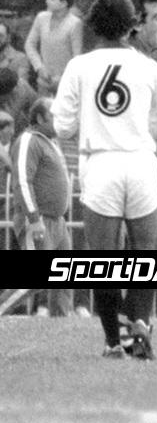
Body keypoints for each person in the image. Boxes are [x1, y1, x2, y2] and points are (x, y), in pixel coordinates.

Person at [50, 0, 157, 359]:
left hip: (101, 163)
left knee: (103, 262)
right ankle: (139, 324)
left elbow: (62, 127)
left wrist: (92, 121)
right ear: (130, 26)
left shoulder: (79, 67)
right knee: (146, 255)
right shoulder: (148, 67)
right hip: (140, 163)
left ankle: (113, 342)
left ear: (95, 25)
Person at [10, 98, 72, 316]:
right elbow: (22, 182)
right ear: (39, 118)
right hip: (38, 220)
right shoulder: (28, 140)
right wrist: (34, 219)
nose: (59, 120)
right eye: (53, 115)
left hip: (57, 221)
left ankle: (61, 325)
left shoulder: (50, 142)